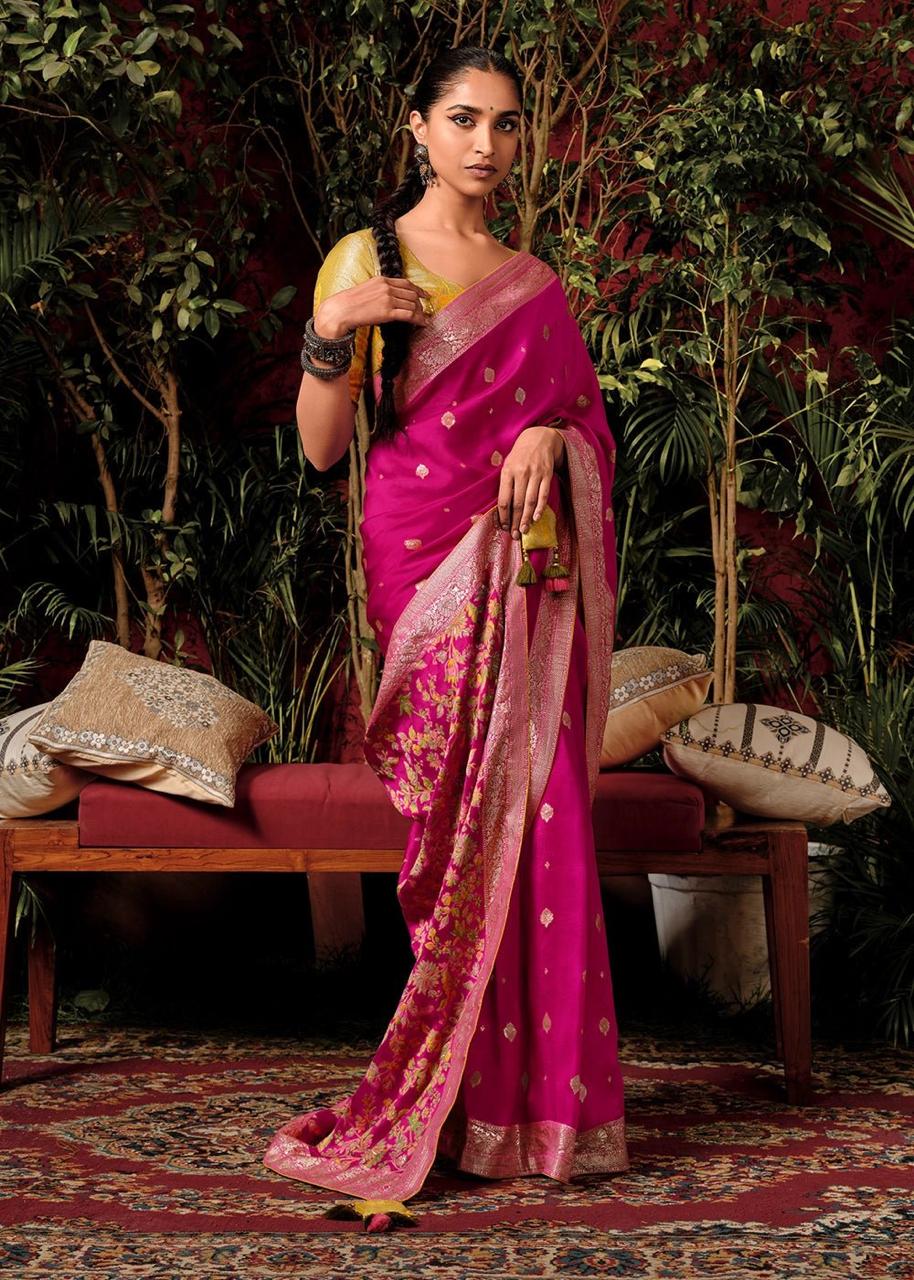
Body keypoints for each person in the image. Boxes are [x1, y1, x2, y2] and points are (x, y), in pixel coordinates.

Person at [263, 44, 630, 1209]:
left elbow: (582, 426)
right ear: (416, 128)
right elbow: (322, 447)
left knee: (541, 806)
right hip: (420, 560)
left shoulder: (534, 283)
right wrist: (333, 325)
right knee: (450, 825)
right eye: (463, 119)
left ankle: (538, 1112)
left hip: (525, 567)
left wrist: (550, 436)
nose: (486, 143)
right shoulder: (364, 260)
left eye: (505, 123)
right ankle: (460, 1094)